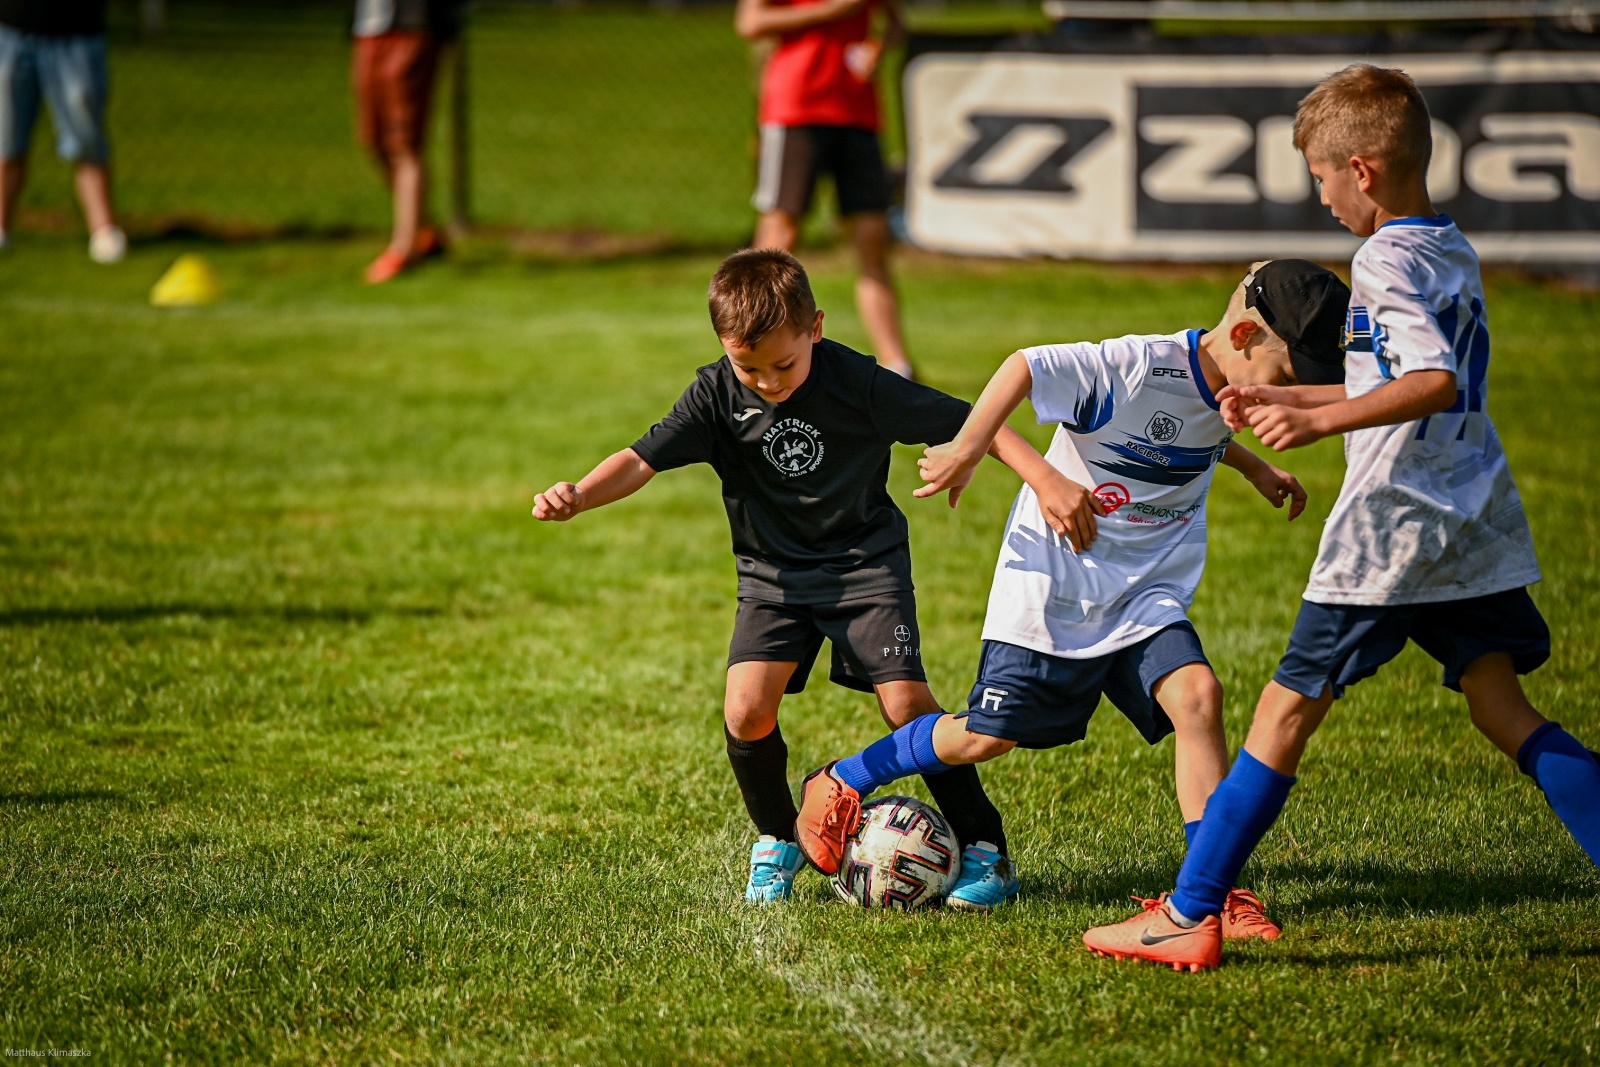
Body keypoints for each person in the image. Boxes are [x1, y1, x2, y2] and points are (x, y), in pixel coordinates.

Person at [1081, 65, 1600, 974]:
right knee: (1499, 703)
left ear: (1362, 169)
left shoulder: (1384, 259)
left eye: (1321, 176)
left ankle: (1192, 912)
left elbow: (1430, 380)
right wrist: (1303, 395)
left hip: (1392, 528)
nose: (1319, 197)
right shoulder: (1448, 246)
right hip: (1470, 514)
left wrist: (1317, 418)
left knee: (1281, 712)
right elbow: (1407, 379)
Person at [796, 260, 1345, 919]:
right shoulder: (1138, 365)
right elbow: (1025, 365)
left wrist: (1255, 467)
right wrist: (977, 450)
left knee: (1199, 697)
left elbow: (1198, 431)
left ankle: (1216, 891)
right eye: (1286, 378)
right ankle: (844, 777)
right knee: (987, 737)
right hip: (1056, 582)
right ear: (1247, 335)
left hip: (1145, 592)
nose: (1287, 395)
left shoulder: (1232, 389)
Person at [533, 248, 1053, 905]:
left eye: (783, 364)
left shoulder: (856, 383)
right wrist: (578, 493)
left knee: (907, 708)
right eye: (748, 366)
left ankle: (986, 848)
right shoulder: (716, 393)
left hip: (865, 564)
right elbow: (642, 458)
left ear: (817, 328)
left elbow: (969, 419)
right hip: (773, 575)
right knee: (747, 708)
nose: (768, 381)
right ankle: (780, 838)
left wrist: (1045, 479)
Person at [736, 0, 915, 379]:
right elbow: (751, 22)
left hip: (858, 111)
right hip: (796, 106)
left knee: (873, 237)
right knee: (780, 235)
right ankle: (747, 350)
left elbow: (896, 22)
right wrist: (832, 10)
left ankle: (897, 367)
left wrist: (877, 50)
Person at [0, 0, 124, 262]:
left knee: (86, 139)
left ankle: (104, 231)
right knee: (5, 140)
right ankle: (1, 228)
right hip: (11, 26)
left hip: (76, 31)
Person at [351, 0, 460, 284]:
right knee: (372, 140)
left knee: (404, 145)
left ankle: (404, 250)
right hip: (369, 29)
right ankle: (423, 231)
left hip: (411, 27)